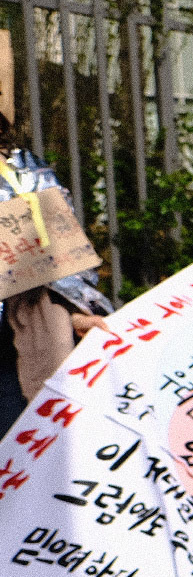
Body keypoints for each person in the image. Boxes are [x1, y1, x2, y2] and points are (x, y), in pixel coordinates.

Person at [0, 114, 111, 430]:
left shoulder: (25, 171)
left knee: (36, 438)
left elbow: (59, 255)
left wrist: (76, 313)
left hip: (21, 339)